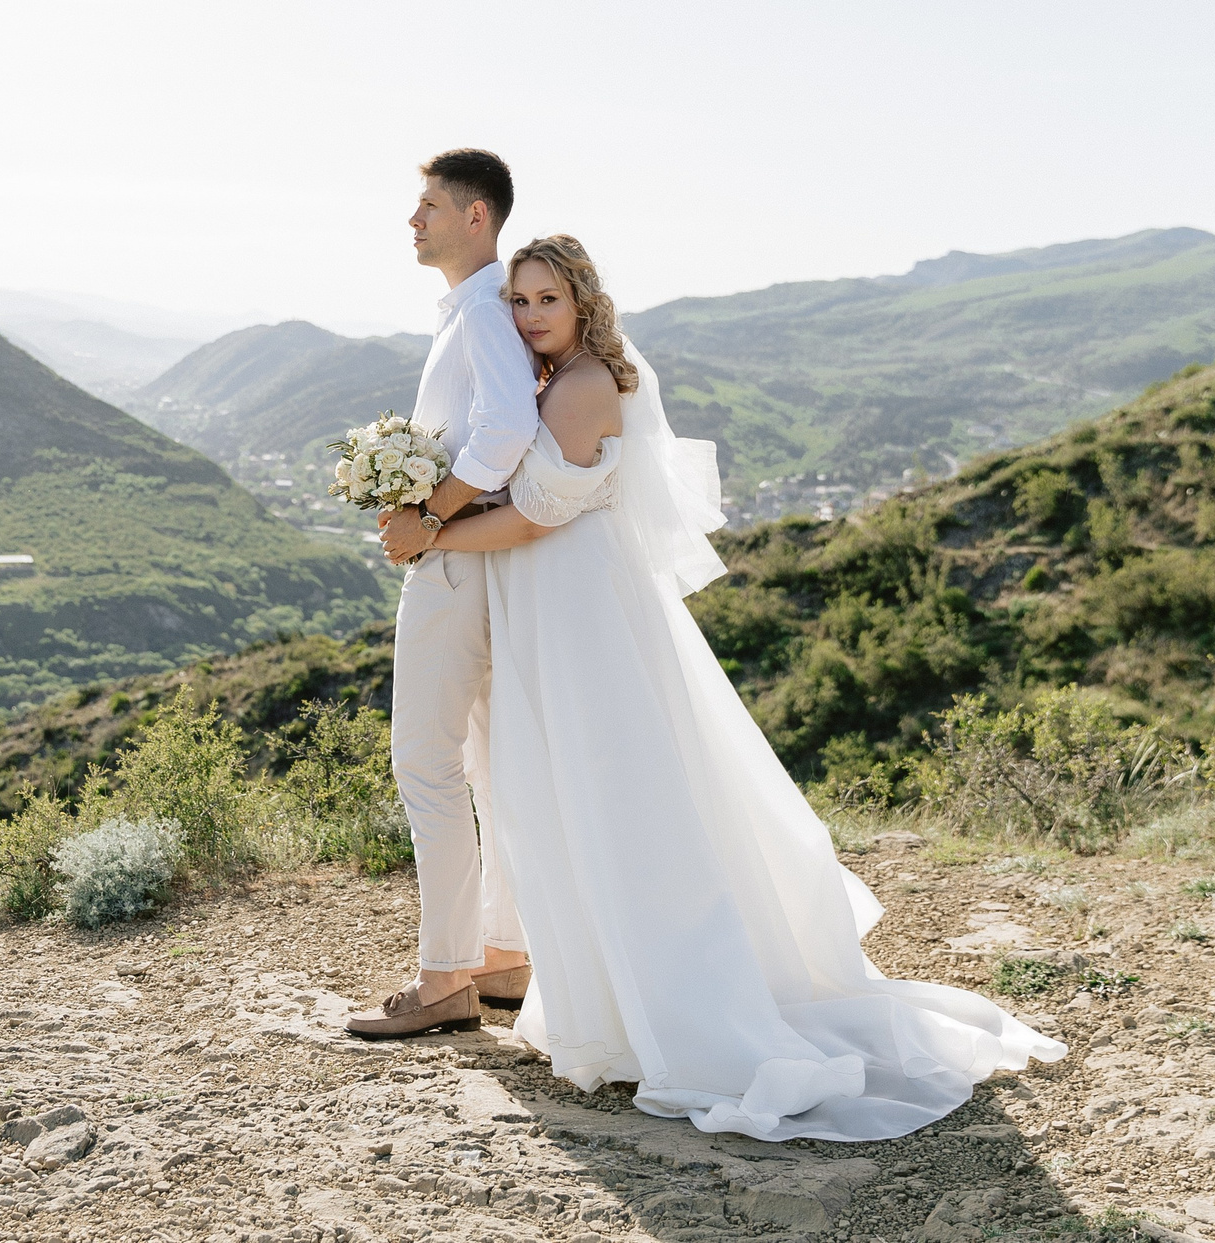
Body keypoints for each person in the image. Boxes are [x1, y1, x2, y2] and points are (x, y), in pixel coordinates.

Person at [414, 235, 1066, 1138]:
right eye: (517, 302)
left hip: (579, 616)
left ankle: (677, 1010)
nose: (527, 317)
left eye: (544, 301)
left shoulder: (583, 385)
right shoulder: (550, 378)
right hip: (551, 610)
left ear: (581, 302)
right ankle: (603, 999)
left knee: (615, 797)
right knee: (567, 799)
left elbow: (533, 518)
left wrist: (430, 533)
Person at [346, 150, 542, 1040]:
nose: (411, 220)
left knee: (426, 765)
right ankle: (501, 953)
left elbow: (505, 429)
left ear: (477, 217)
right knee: (487, 766)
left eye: (427, 205)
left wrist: (430, 512)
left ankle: (444, 978)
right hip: (486, 568)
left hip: (456, 566)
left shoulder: (483, 315)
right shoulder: (477, 310)